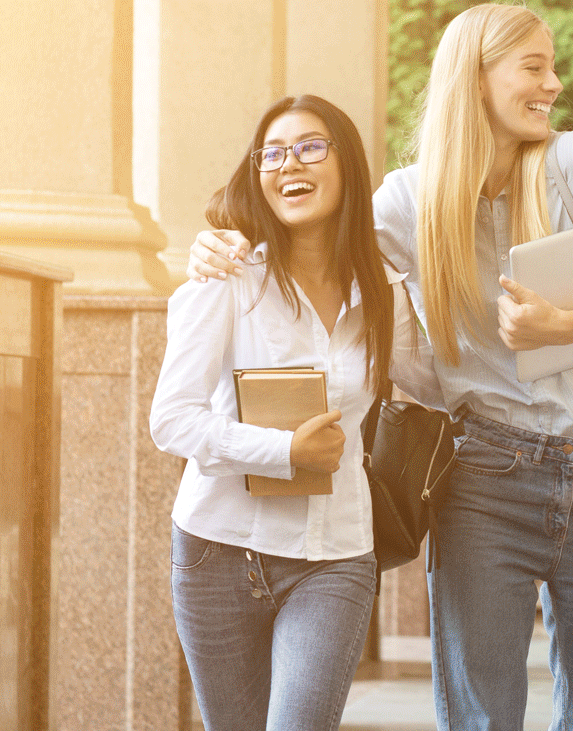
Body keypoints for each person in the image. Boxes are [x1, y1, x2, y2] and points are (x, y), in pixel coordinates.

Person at [184, 5, 573, 730]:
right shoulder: (406, 200)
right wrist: (218, 239)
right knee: (480, 712)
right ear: (474, 79)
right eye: (534, 67)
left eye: (551, 66)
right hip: (485, 473)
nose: (554, 83)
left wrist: (567, 324)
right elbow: (313, 234)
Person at [150, 94, 438, 731]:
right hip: (217, 551)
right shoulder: (226, 278)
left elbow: (439, 384)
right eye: (272, 153)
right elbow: (172, 419)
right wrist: (282, 454)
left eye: (310, 146)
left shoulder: (385, 291)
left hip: (335, 556)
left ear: (347, 167)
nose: (288, 164)